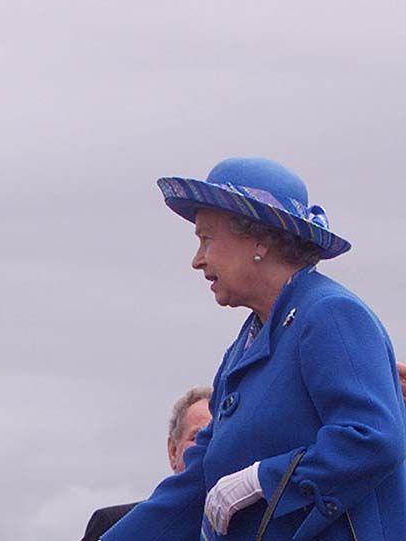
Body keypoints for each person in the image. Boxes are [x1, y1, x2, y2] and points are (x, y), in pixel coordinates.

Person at [103, 158, 406, 539]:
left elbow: (372, 438)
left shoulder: (330, 313)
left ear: (260, 239)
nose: (197, 260)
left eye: (206, 239)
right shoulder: (243, 348)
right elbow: (195, 484)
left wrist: (263, 479)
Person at [81, 387, 212, 541]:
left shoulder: (243, 527)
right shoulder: (114, 524)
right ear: (173, 450)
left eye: (216, 437)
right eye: (197, 436)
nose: (208, 447)